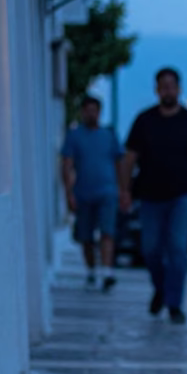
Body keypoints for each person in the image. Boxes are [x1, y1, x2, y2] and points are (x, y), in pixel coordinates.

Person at [118, 68, 187, 324]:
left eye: (171, 86)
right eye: (163, 86)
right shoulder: (144, 120)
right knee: (150, 249)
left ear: (179, 89)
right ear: (157, 89)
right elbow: (129, 160)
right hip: (149, 197)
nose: (167, 90)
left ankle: (174, 304)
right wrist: (124, 191)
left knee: (178, 249)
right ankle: (161, 288)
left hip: (182, 196)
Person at [60, 95, 122, 291]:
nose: (91, 114)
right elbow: (67, 165)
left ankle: (107, 272)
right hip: (83, 194)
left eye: (94, 110)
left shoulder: (109, 135)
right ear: (82, 112)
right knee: (86, 236)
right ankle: (91, 270)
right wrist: (68, 193)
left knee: (107, 232)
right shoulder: (74, 136)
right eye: (87, 110)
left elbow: (120, 162)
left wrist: (123, 188)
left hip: (107, 192)